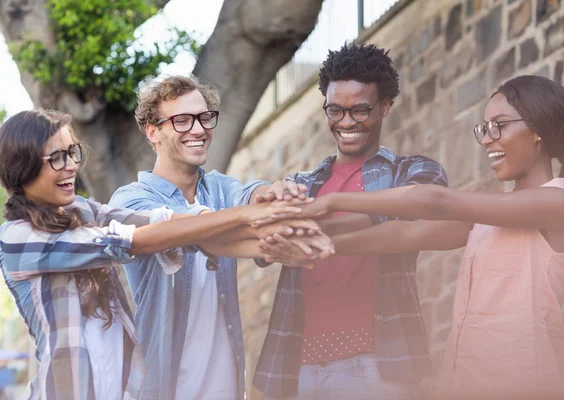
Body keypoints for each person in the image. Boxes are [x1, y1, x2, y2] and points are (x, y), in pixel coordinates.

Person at [267, 75, 564, 399]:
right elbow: (404, 233)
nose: (488, 139)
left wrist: (332, 202)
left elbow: (437, 202)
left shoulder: (559, 204)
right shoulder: (489, 219)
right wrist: (317, 245)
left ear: (538, 130)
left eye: (499, 126)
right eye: (485, 128)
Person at [0, 109, 328, 400]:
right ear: (23, 168)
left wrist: (273, 237)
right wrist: (244, 216)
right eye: (57, 157)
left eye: (73, 152)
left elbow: (173, 228)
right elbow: (132, 241)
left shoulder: (82, 210)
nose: (71, 165)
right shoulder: (17, 239)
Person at [107, 74, 327, 400]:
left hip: (226, 387)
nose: (198, 129)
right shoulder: (129, 201)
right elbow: (196, 233)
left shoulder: (221, 188)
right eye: (181, 121)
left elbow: (252, 196)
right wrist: (256, 222)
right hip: (161, 388)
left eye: (204, 117)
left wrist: (275, 194)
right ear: (152, 131)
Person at [253, 43, 448, 400]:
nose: (345, 122)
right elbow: (261, 249)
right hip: (294, 371)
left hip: (378, 367)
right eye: (335, 110)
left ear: (384, 107)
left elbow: (412, 210)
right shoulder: (303, 183)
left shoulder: (413, 171)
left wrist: (313, 222)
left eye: (360, 110)